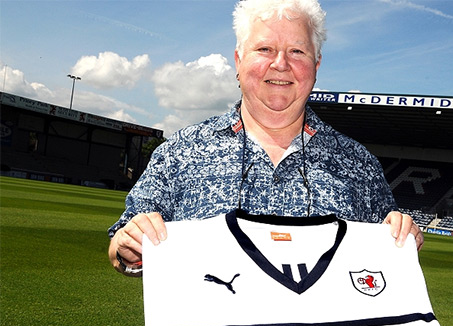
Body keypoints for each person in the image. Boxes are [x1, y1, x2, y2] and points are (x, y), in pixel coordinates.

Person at [107, 0, 423, 276]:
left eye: (297, 51)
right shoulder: (179, 152)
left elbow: (383, 262)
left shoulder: (359, 165)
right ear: (238, 59)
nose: (281, 64)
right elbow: (123, 248)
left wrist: (403, 238)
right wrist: (128, 249)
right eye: (264, 49)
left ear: (316, 65)